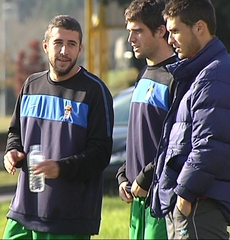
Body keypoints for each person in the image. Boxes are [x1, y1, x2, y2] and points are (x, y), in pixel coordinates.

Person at [2, 15, 114, 239]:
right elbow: (15, 132)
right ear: (45, 46)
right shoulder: (32, 85)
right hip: (24, 209)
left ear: (80, 48)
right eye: (58, 43)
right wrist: (11, 151)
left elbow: (100, 154)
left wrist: (61, 168)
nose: (64, 51)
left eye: (71, 44)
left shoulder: (93, 91)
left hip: (68, 218)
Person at [149, 0, 230, 239]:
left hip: (199, 205)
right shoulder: (200, 73)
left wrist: (184, 193)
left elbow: (211, 144)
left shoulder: (214, 76)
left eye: (174, 31)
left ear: (200, 27)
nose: (169, 39)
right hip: (194, 204)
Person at [115, 0, 177, 239]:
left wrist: (146, 176)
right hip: (137, 198)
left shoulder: (177, 77)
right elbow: (141, 135)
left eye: (138, 31)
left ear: (161, 30)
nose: (131, 39)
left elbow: (176, 143)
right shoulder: (143, 74)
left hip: (162, 200)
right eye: (129, 31)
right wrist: (124, 174)